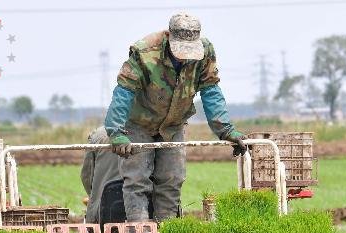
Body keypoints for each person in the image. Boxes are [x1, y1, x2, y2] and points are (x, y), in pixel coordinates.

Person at [103, 13, 246, 222]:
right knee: (137, 180)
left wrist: (226, 130)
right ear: (169, 36)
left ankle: (167, 231)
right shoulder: (145, 52)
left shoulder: (204, 53)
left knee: (172, 179)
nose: (184, 57)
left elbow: (211, 91)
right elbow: (124, 91)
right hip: (139, 123)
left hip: (173, 125)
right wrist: (116, 132)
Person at [80, 126, 122, 224]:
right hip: (142, 211)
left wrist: (94, 197)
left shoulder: (99, 135)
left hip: (102, 212)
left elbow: (86, 176)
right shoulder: (149, 133)